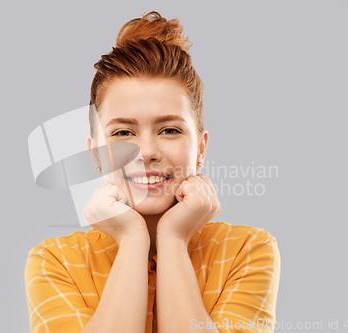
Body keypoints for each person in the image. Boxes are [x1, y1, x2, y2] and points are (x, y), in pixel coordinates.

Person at [25, 11, 280, 333]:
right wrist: (132, 239)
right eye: (122, 133)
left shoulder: (246, 249)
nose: (146, 152)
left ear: (201, 148)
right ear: (95, 153)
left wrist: (173, 239)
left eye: (170, 130)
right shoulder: (55, 260)